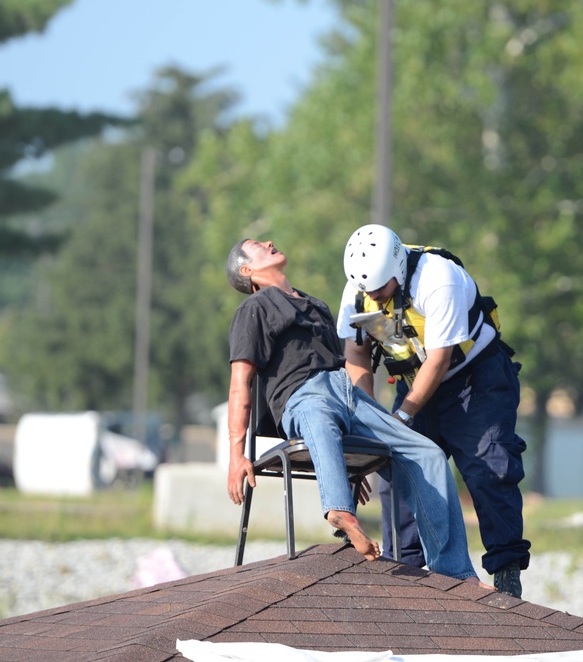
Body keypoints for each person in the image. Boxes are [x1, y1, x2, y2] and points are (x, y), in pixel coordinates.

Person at [224, 238, 488, 586]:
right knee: (319, 420)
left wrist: (355, 461)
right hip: (302, 396)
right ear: (247, 271)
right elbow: (240, 382)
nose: (269, 242)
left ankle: (455, 573)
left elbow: (351, 363)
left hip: (348, 394)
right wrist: (236, 454)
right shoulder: (255, 308)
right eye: (257, 245)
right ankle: (339, 510)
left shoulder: (315, 305)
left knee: (428, 454)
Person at [336, 224, 530, 597]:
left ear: (397, 269)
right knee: (397, 466)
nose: (373, 295)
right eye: (367, 289)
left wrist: (402, 419)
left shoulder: (437, 278)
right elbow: (357, 355)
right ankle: (403, 569)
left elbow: (439, 360)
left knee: (488, 465)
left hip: (474, 378)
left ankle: (506, 569)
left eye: (380, 288)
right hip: (415, 382)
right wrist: (369, 420)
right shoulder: (357, 290)